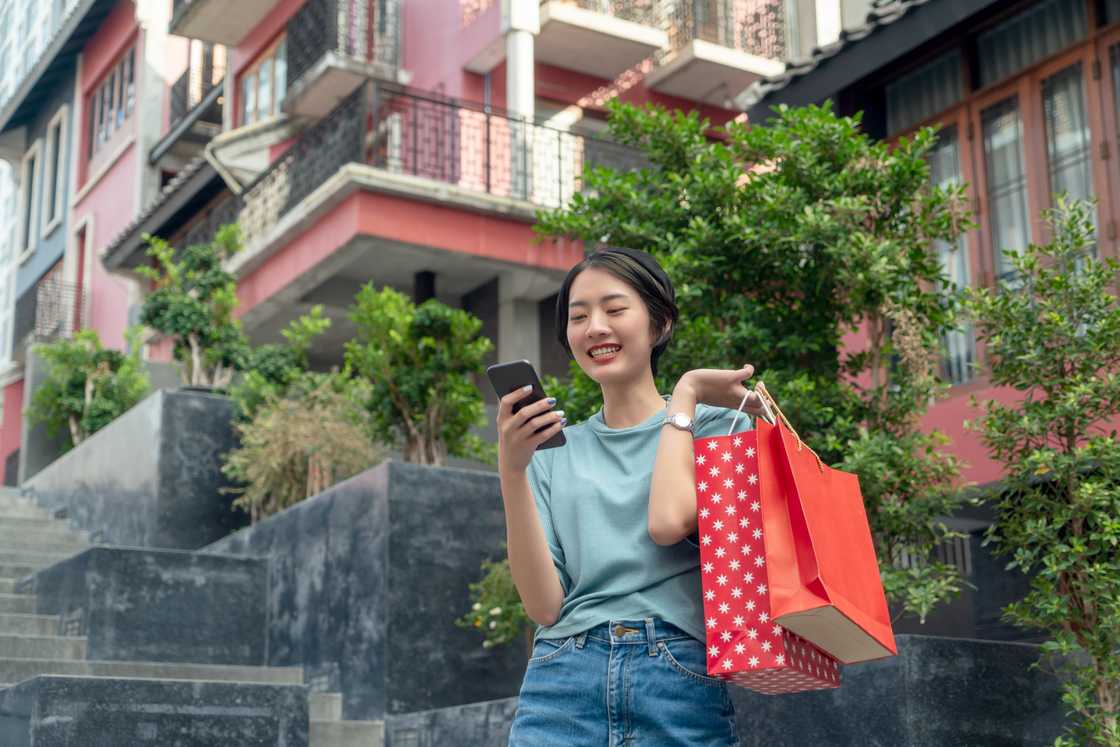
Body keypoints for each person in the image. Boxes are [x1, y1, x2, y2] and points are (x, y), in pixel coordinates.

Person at [498, 246, 768, 746]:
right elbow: (544, 606)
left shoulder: (717, 427)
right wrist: (512, 469)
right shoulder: (552, 452)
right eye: (578, 317)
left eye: (615, 309)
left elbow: (667, 523)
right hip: (562, 679)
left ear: (660, 323)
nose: (595, 327)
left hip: (676, 676)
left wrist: (685, 394)